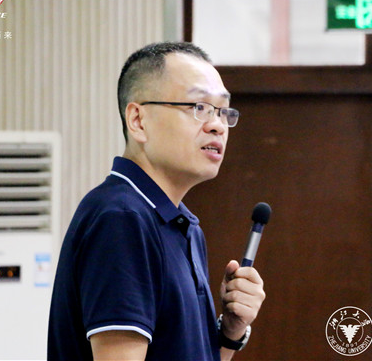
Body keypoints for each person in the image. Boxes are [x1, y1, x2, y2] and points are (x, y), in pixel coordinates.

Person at [48, 42, 266, 361]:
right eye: (199, 107)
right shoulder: (122, 218)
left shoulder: (183, 225)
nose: (217, 125)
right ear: (138, 120)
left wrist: (231, 332)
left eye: (222, 111)